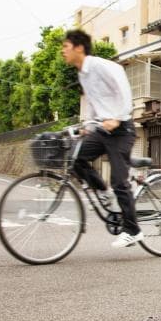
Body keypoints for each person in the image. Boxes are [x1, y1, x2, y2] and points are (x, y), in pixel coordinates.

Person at [61, 29, 143, 248]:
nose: (63, 51)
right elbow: (92, 100)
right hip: (102, 129)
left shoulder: (101, 65)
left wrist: (116, 117)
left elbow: (123, 90)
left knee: (119, 180)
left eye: (65, 47)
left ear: (79, 48)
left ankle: (133, 231)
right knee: (75, 157)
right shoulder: (82, 73)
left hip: (121, 129)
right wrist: (87, 125)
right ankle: (102, 192)